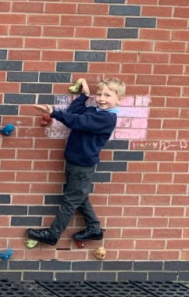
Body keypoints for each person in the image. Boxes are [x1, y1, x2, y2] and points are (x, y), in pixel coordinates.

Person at [26, 77, 125, 246]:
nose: (101, 98)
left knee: (70, 201)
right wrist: (84, 96)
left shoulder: (106, 119)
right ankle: (94, 228)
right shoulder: (96, 111)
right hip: (75, 162)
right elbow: (73, 113)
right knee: (79, 196)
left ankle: (53, 234)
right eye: (99, 94)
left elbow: (77, 121)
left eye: (107, 95)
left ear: (119, 100)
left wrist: (54, 112)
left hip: (82, 166)